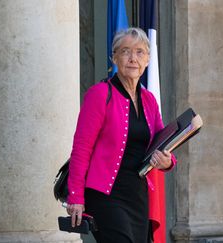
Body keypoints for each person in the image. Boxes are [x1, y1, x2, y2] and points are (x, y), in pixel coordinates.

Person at [66, 27, 176, 243]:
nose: (133, 58)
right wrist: (76, 197)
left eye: (139, 52)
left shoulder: (149, 99)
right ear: (114, 57)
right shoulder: (99, 94)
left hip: (137, 195)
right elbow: (81, 148)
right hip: (105, 195)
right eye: (125, 51)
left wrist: (167, 162)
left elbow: (162, 142)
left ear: (147, 60)